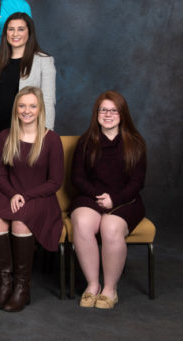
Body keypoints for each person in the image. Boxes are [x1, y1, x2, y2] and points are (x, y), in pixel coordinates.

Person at [0, 86, 63, 312]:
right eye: (22, 106)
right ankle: (5, 285)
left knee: (19, 221)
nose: (27, 111)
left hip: (41, 197)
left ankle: (22, 287)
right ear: (16, 109)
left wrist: (25, 196)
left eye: (32, 106)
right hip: (11, 193)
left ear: (40, 109)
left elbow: (55, 182)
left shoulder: (51, 139)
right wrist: (14, 194)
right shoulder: (6, 136)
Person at [70, 91, 146, 309]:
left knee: (111, 228)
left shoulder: (135, 143)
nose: (108, 114)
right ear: (97, 114)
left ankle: (110, 289)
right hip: (91, 196)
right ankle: (92, 285)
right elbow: (77, 178)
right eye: (103, 110)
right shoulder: (86, 141)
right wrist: (98, 197)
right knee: (83, 223)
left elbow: (137, 182)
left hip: (126, 201)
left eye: (114, 110)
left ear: (122, 115)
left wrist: (115, 200)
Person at [0, 12, 55, 135]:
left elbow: (48, 101)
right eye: (11, 29)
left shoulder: (44, 61)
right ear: (6, 33)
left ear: (29, 33)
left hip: (27, 131)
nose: (15, 34)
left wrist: (46, 132)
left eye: (21, 29)